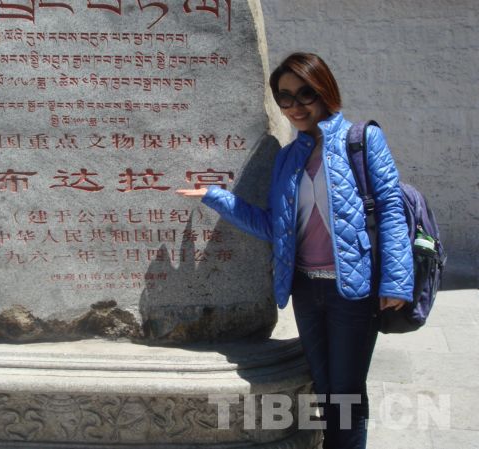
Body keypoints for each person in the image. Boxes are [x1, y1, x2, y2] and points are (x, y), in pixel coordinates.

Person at [177, 52, 413, 449]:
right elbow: (276, 227)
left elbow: (390, 210)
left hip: (351, 293)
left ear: (325, 90)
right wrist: (216, 198)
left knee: (346, 393)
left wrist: (395, 282)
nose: (295, 106)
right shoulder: (288, 157)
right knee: (323, 388)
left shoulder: (362, 139)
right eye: (284, 98)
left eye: (305, 93)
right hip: (305, 290)